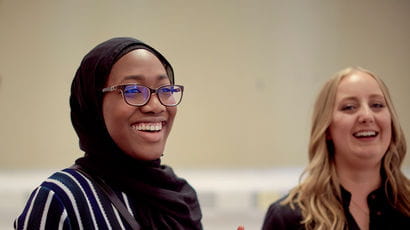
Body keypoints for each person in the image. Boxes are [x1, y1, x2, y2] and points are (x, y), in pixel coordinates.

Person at [14, 37, 202, 229]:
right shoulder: (63, 197)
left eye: (166, 89)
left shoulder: (180, 197)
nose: (156, 106)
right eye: (133, 90)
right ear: (93, 103)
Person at [262, 67, 410, 230]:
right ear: (327, 130)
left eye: (377, 105)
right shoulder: (288, 217)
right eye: (349, 107)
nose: (367, 116)